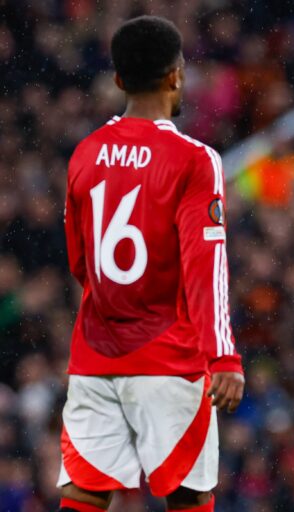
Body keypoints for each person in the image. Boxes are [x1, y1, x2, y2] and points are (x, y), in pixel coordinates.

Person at [59, 16, 244, 512]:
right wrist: (222, 356)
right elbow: (206, 266)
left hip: (95, 355)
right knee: (188, 494)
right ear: (176, 75)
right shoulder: (194, 159)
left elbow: (80, 262)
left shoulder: (85, 154)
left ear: (118, 80)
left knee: (85, 492)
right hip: (170, 356)